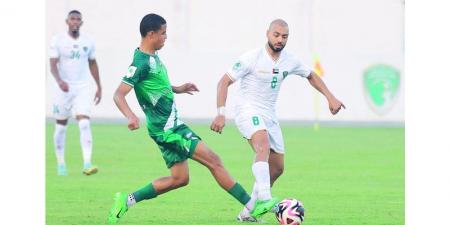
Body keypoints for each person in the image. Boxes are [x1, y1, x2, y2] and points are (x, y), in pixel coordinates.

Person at [107, 13, 279, 224]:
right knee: (214, 161)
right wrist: (130, 115)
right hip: (168, 130)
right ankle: (254, 206)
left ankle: (127, 200)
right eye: (163, 33)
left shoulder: (151, 57)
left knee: (180, 179)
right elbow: (119, 94)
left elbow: (154, 85)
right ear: (151, 35)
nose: (166, 37)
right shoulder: (140, 62)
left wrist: (178, 89)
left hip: (166, 128)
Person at [210, 19, 346, 222]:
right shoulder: (252, 58)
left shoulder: (289, 60)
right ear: (267, 33)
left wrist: (330, 97)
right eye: (276, 35)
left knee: (277, 167)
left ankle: (247, 213)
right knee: (262, 146)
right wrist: (221, 112)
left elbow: (311, 75)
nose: (280, 40)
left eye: (284, 36)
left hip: (269, 115)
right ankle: (265, 198)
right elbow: (224, 81)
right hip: (247, 110)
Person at [49, 10, 101, 176]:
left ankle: (87, 163)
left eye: (78, 19)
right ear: (67, 21)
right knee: (61, 127)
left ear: (81, 23)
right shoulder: (58, 40)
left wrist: (99, 86)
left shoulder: (88, 41)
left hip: (82, 88)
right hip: (62, 89)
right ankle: (61, 163)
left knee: (84, 123)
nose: (75, 22)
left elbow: (93, 63)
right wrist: (59, 81)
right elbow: (52, 64)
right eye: (72, 19)